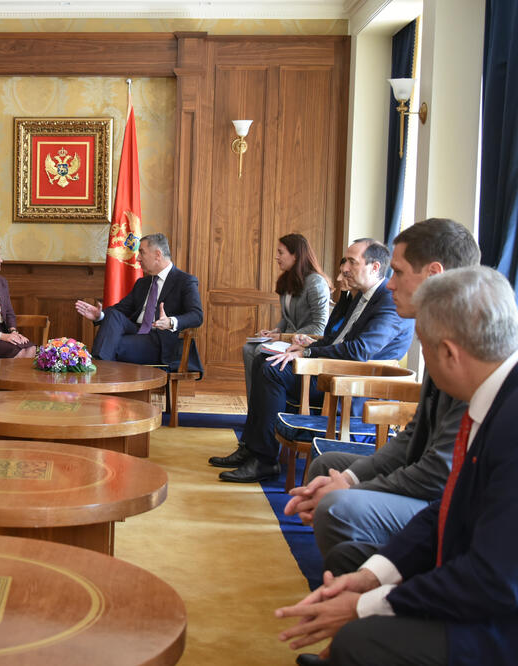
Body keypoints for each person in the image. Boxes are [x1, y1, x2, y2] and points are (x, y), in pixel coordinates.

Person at [276, 266, 518, 666]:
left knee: (361, 639)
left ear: (448, 353)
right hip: (479, 579)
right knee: (352, 562)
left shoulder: (510, 424)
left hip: (500, 623)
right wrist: (371, 579)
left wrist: (366, 606)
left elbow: (494, 582)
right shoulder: (494, 397)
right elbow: (447, 509)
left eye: (422, 345)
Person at [283, 219, 479, 575]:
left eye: (399, 272)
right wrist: (351, 479)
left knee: (337, 505)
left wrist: (352, 483)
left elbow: (439, 473)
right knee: (326, 468)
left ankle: (374, 584)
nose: (390, 283)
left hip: (450, 502)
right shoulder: (442, 333)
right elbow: (412, 440)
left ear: (434, 273)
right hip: (427, 480)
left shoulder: (471, 346)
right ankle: (362, 571)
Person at [213, 239, 414, 483]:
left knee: (272, 370)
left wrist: (306, 354)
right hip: (334, 372)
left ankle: (265, 460)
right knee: (264, 360)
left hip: (352, 387)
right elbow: (334, 339)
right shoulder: (359, 297)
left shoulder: (388, 302)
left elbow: (360, 350)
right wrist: (306, 346)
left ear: (375, 267)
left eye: (352, 262)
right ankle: (251, 447)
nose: (344, 270)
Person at [74, 232, 203, 372]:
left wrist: (170, 322)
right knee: (112, 314)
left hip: (159, 340)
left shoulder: (185, 281)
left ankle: (96, 372)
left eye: (142, 252)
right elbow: (120, 310)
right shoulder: (142, 283)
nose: (137, 258)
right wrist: (100, 316)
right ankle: (98, 374)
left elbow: (197, 315)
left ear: (157, 255)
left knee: (113, 345)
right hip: (137, 332)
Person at [242, 233, 330, 399]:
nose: (276, 257)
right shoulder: (287, 280)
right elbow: (287, 318)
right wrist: (274, 331)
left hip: (305, 343)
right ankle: (254, 406)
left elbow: (320, 326)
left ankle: (267, 404)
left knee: (261, 350)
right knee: (248, 349)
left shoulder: (316, 282)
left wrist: (284, 337)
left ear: (295, 255)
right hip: (287, 339)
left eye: (280, 252)